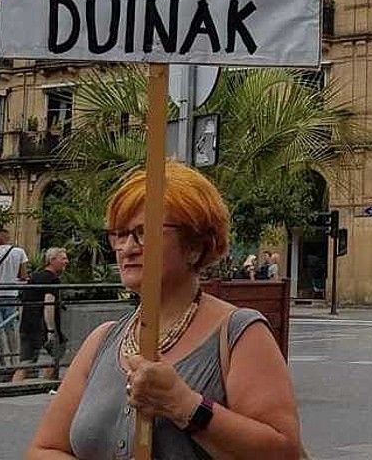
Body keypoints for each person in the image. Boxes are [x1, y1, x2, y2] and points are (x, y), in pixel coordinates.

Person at [27, 160, 302, 459]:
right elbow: (45, 448)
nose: (127, 248)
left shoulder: (240, 334)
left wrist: (184, 405)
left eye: (144, 232)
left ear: (194, 245)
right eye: (119, 234)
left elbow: (282, 451)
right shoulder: (103, 340)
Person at [15, 247, 70, 382]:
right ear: (52, 260)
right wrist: (51, 330)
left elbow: (24, 300)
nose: (66, 262)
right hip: (42, 326)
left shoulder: (35, 276)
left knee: (26, 362)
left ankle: (13, 385)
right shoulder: (52, 279)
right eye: (63, 258)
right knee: (57, 353)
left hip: (28, 324)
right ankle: (47, 384)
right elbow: (49, 304)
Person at [0, 228, 29, 368]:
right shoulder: (19, 252)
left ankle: (2, 363)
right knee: (11, 329)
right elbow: (23, 275)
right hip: (12, 295)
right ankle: (14, 361)